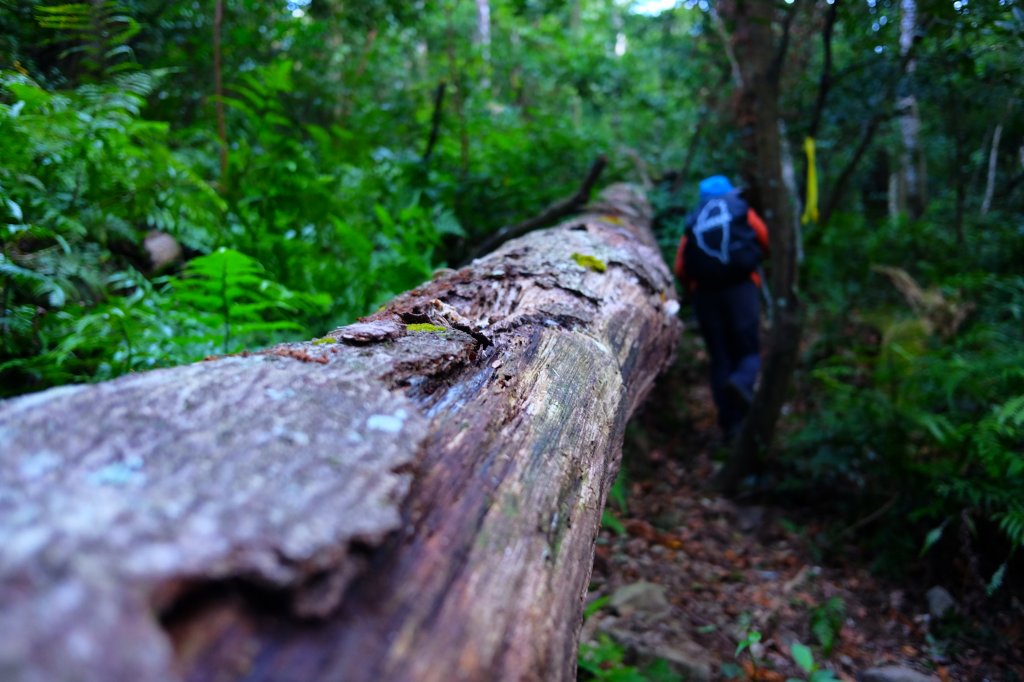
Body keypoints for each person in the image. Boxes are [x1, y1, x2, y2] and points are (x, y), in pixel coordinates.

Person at [674, 175, 769, 440]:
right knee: (748, 352)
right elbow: (763, 238)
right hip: (742, 289)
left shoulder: (695, 219)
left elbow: (681, 267)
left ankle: (730, 426)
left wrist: (693, 289)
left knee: (720, 358)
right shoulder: (740, 210)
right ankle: (741, 383)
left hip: (706, 296)